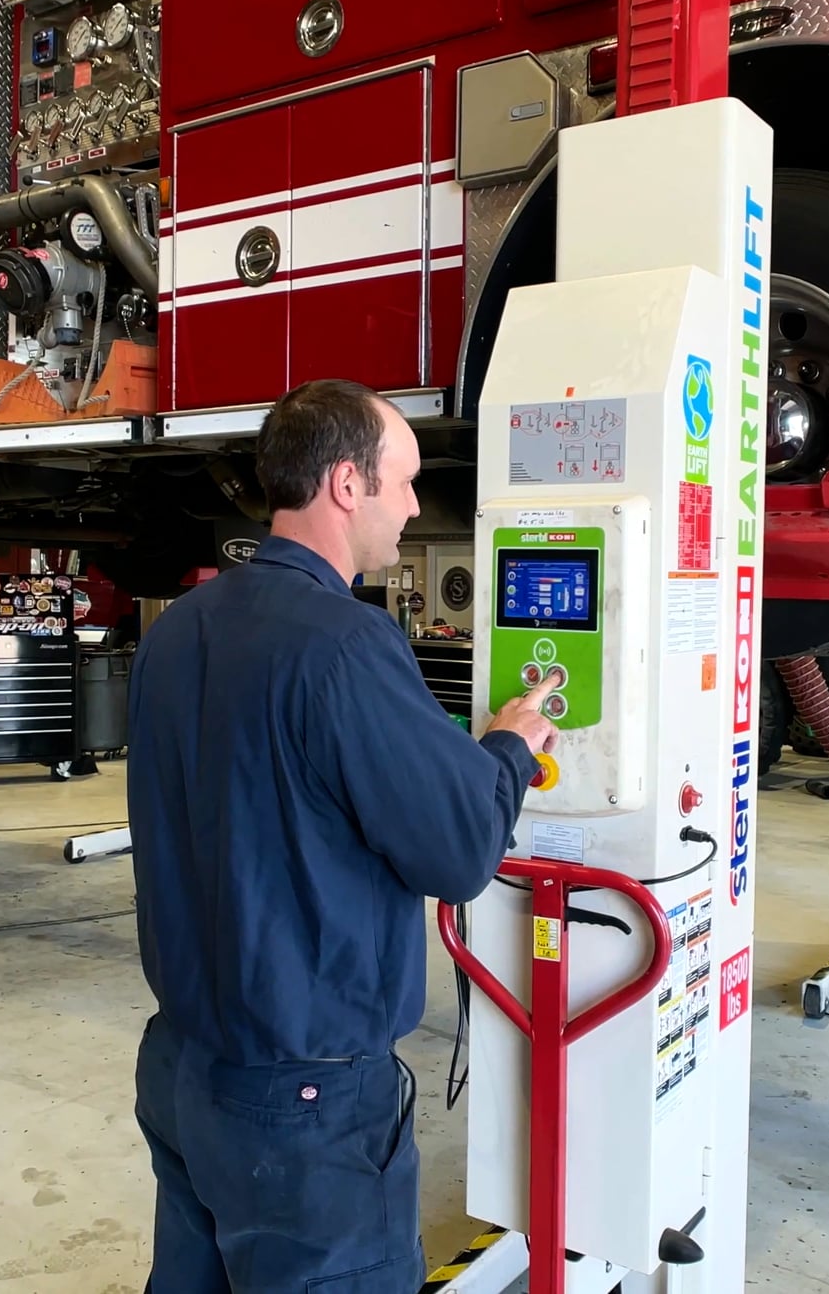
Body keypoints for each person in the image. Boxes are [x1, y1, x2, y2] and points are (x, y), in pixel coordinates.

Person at [126, 378, 563, 1293]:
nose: (414, 506)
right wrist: (511, 750)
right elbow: (457, 851)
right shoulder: (345, 643)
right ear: (347, 484)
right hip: (303, 1107)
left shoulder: (178, 629)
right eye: (403, 481)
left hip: (181, 1070)